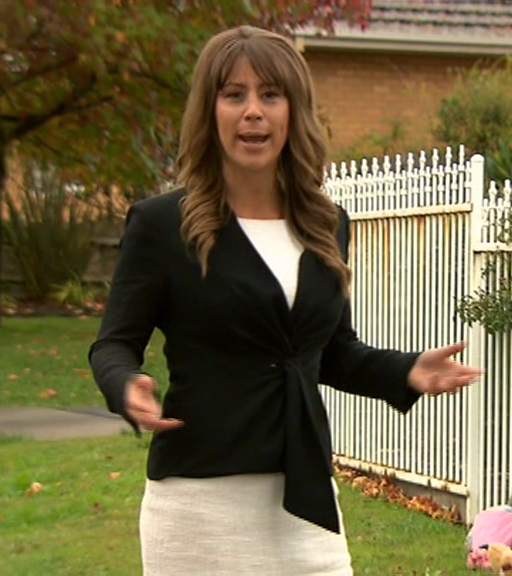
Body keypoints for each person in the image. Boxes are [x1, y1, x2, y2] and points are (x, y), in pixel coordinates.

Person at [89, 24, 481, 575]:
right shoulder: (161, 226)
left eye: (270, 95)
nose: (253, 111)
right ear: (210, 112)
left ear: (294, 112)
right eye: (234, 95)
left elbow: (332, 352)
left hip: (305, 497)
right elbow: (112, 345)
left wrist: (406, 370)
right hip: (198, 504)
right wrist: (126, 385)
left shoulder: (326, 223)